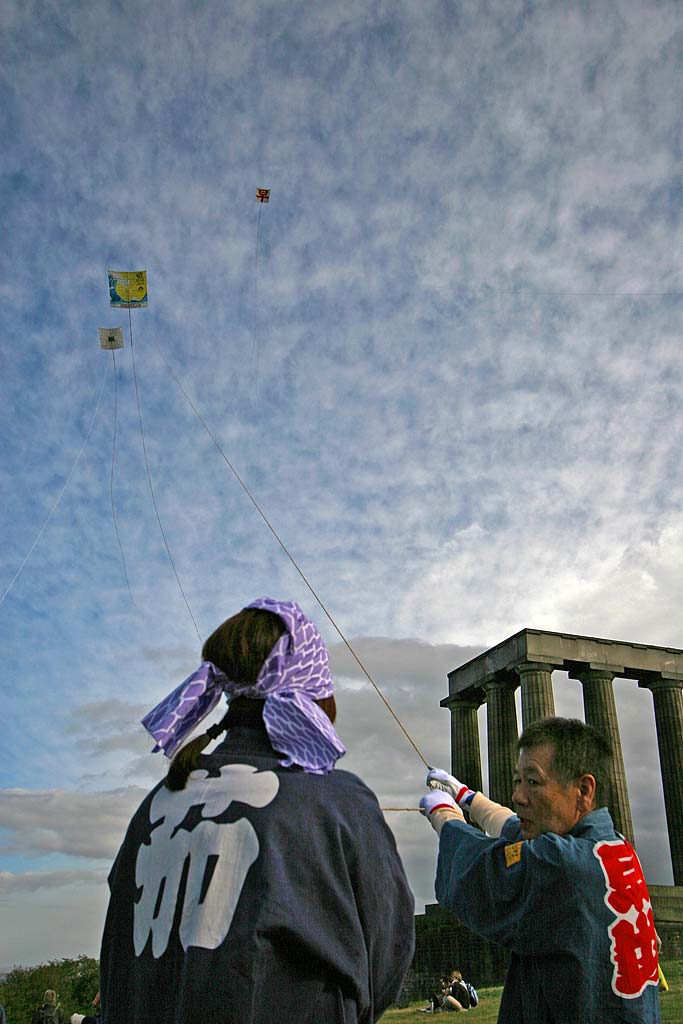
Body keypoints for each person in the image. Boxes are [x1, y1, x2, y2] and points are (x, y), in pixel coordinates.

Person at [99, 597, 414, 1024]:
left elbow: (117, 962)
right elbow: (386, 957)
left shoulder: (153, 807)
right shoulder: (338, 803)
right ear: (314, 696)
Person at [419, 717, 661, 1023]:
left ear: (584, 790)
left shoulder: (563, 865)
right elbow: (517, 831)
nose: (518, 795)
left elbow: (481, 870)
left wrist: (445, 816)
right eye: (517, 780)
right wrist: (467, 797)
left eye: (533, 782)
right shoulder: (616, 848)